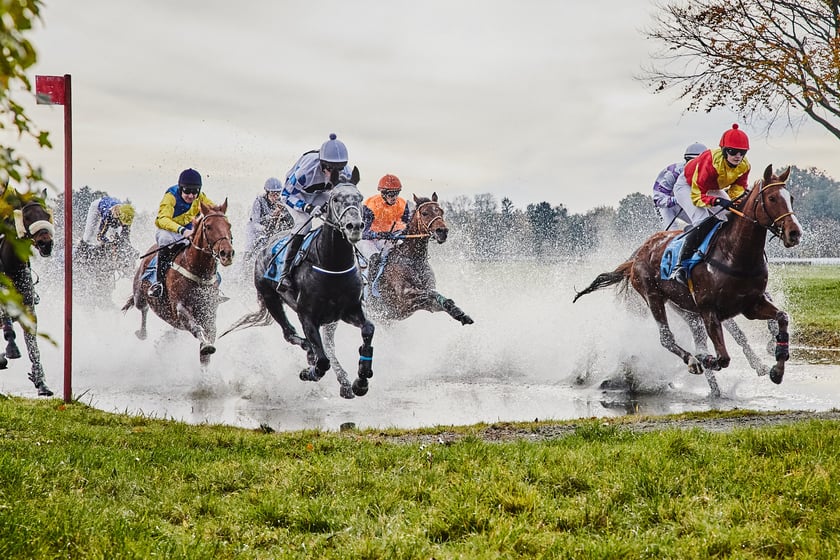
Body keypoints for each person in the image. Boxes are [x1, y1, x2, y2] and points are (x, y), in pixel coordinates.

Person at [669, 124, 751, 283]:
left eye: (742, 152)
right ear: (724, 150)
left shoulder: (745, 166)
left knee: (730, 217)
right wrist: (719, 200)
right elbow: (697, 195)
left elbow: (738, 187)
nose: (737, 156)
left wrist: (738, 201)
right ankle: (680, 266)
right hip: (688, 187)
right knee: (703, 220)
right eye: (733, 151)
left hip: (711, 187)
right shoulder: (711, 162)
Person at [277, 133, 352, 292]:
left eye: (339, 169)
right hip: (297, 195)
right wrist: (307, 207)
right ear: (323, 164)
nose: (336, 174)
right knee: (304, 224)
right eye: (332, 169)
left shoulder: (347, 172)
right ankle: (285, 273)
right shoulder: (306, 172)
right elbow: (285, 195)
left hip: (320, 194)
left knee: (339, 219)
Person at [147, 168, 216, 298]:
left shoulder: (200, 197)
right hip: (168, 230)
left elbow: (214, 211)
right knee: (165, 239)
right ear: (180, 188)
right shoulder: (171, 196)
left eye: (195, 192)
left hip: (188, 230)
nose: (191, 196)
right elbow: (162, 219)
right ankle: (159, 283)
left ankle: (213, 284)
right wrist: (182, 230)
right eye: (187, 191)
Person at [357, 173, 412, 265]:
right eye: (391, 195)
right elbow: (362, 233)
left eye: (396, 193)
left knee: (402, 254)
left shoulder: (402, 204)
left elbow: (406, 226)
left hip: (387, 239)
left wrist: (400, 233)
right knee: (376, 260)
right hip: (367, 240)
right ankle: (370, 278)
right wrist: (377, 234)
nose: (394, 197)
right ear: (383, 193)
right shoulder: (371, 206)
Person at [652, 142, 707, 230]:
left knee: (705, 222)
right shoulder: (673, 173)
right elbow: (658, 199)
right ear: (687, 161)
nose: (697, 167)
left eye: (701, 163)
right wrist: (681, 198)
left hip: (684, 203)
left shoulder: (706, 173)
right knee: (672, 231)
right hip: (666, 206)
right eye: (694, 163)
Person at [245, 177, 292, 256]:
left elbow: (290, 222)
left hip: (272, 230)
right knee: (251, 246)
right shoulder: (259, 201)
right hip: (257, 229)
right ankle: (248, 258)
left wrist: (284, 213)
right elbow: (256, 222)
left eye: (277, 194)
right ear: (267, 193)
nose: (275, 197)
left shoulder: (281, 202)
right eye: (272, 194)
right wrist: (271, 216)